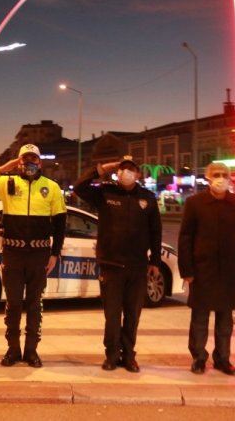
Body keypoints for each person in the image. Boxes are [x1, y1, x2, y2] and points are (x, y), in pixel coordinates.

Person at [0, 144, 66, 368]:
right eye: (25, 159)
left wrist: (55, 253)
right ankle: (13, 349)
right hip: (13, 253)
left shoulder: (51, 187)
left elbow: (60, 222)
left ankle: (31, 351)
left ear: (40, 162)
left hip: (39, 254)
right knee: (13, 304)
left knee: (34, 305)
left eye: (33, 159)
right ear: (19, 162)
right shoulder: (7, 183)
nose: (29, 163)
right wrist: (5, 168)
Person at [73, 155, 162, 373]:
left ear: (138, 174)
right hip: (111, 265)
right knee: (112, 315)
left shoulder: (147, 198)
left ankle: (129, 355)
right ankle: (112, 355)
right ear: (117, 172)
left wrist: (155, 261)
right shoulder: (105, 192)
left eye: (131, 169)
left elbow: (155, 232)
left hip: (137, 266)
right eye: (123, 169)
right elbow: (79, 187)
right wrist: (103, 167)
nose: (126, 172)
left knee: (132, 315)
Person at [178, 161, 235, 376]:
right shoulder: (195, 203)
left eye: (224, 174)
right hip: (202, 269)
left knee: (225, 319)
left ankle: (223, 359)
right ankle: (199, 358)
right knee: (200, 318)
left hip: (229, 270)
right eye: (216, 174)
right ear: (208, 177)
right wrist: (187, 270)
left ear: (230, 178)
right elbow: (185, 238)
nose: (221, 178)